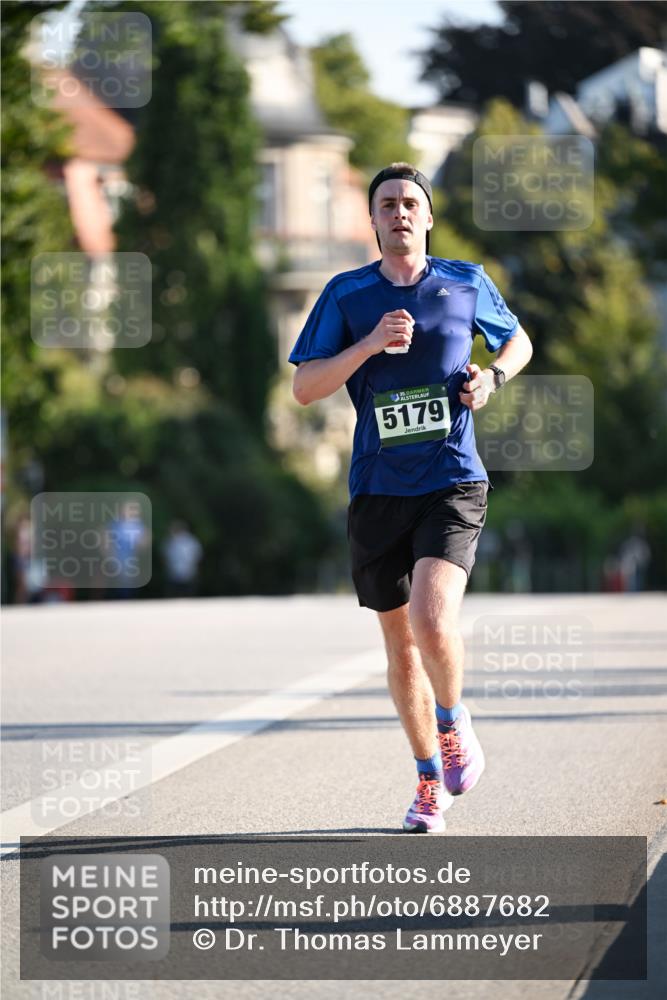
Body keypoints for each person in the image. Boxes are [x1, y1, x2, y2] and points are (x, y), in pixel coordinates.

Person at [289, 163, 533, 833]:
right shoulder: (346, 295)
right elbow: (305, 388)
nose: (398, 212)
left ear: (427, 217)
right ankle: (428, 781)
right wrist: (368, 346)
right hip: (377, 488)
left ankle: (452, 725)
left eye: (408, 203)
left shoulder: (465, 281)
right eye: (386, 204)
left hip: (452, 478)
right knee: (400, 649)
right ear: (371, 220)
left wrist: (492, 380)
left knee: (432, 617)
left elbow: (516, 340)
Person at [162, 520, 203, 597]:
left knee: (184, 597)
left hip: (185, 574)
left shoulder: (190, 541)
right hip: (177, 575)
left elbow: (196, 557)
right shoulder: (170, 541)